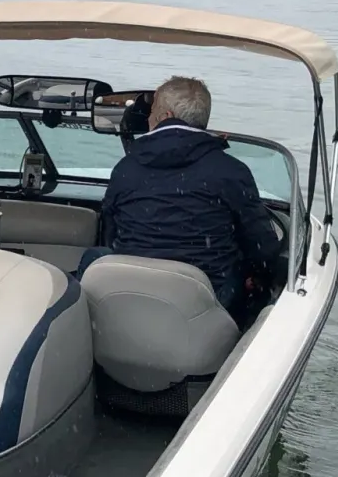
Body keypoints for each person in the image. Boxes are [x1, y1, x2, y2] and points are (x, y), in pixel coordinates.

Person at [90, 76, 285, 323]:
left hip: (129, 305)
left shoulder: (126, 168)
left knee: (94, 257)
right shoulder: (231, 171)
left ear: (165, 116)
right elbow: (262, 248)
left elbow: (109, 234)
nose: (148, 119)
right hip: (203, 313)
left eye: (152, 112)